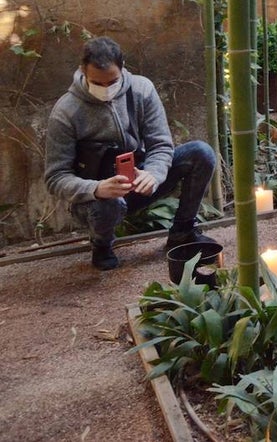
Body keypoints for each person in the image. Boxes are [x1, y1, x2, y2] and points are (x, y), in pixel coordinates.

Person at [43, 37, 218, 271]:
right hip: (96, 200)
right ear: (82, 71)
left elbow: (161, 144)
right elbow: (55, 177)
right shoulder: (65, 112)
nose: (106, 89)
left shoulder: (141, 90)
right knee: (108, 203)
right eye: (97, 83)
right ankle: (102, 245)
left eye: (112, 81)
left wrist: (153, 174)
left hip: (138, 180)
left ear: (123, 67)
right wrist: (96, 188)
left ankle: (183, 231)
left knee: (200, 153)